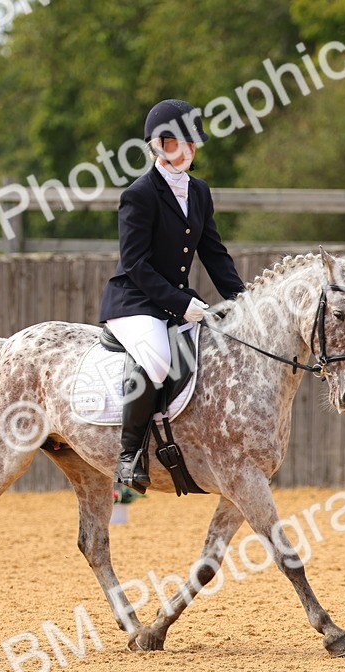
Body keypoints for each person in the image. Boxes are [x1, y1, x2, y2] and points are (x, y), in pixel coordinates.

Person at [97, 98, 246, 492]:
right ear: (161, 145)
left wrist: (244, 300)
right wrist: (182, 304)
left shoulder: (198, 191)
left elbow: (213, 252)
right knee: (159, 360)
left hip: (175, 300)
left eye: (194, 144)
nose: (191, 151)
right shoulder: (139, 194)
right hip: (135, 302)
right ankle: (129, 457)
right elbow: (135, 264)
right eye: (183, 143)